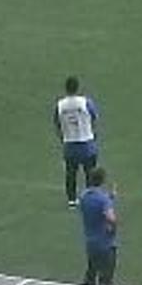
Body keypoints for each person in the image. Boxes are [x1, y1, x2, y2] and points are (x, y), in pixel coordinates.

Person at [54, 76, 100, 207]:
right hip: (86, 142)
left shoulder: (60, 105)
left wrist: (63, 137)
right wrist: (93, 133)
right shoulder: (85, 102)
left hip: (70, 144)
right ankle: (91, 198)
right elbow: (94, 117)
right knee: (90, 172)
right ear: (78, 87)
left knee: (70, 173)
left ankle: (72, 200)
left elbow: (57, 123)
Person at [78, 167, 117, 285]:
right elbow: (110, 218)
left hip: (90, 242)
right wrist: (113, 228)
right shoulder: (103, 200)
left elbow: (93, 206)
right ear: (103, 180)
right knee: (106, 278)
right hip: (105, 243)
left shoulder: (84, 196)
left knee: (91, 273)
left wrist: (109, 198)